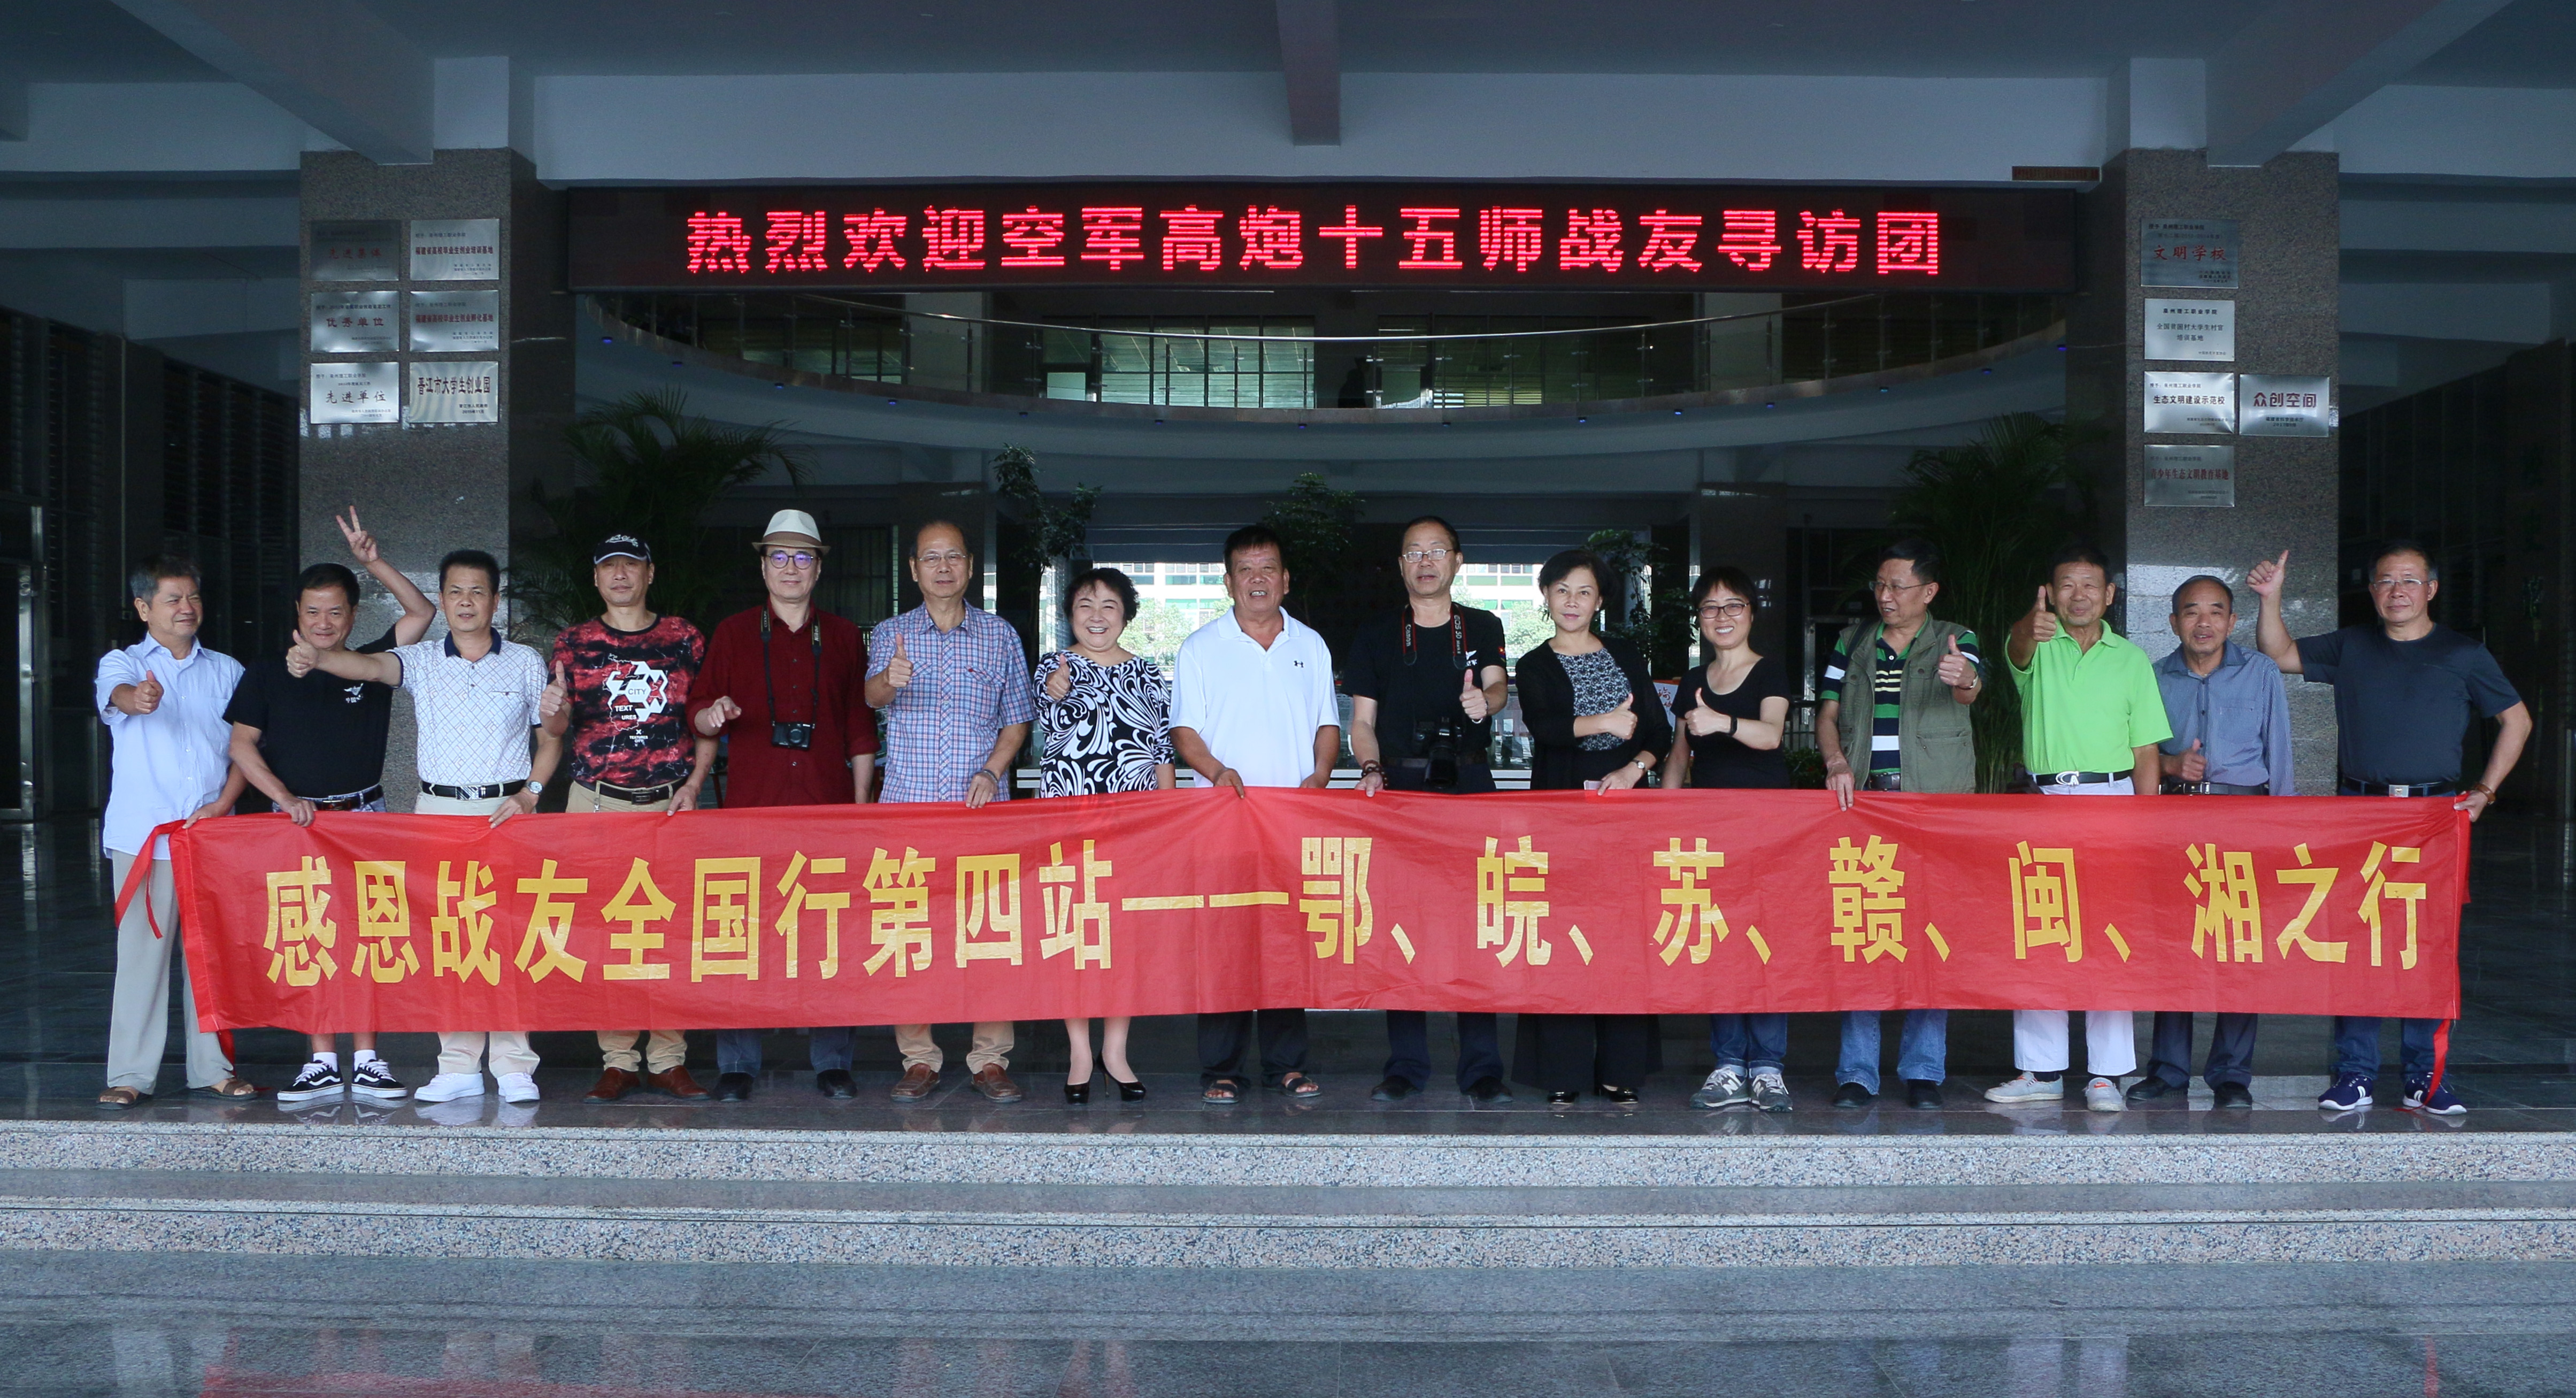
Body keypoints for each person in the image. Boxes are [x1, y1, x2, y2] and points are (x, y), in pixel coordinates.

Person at [2251, 541, 2532, 1116]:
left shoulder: (2463, 653)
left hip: (2432, 816)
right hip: (2360, 812)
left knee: (2426, 946)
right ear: (2372, 591)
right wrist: (2270, 597)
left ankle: (2424, 1075)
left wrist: (2484, 792)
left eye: (2408, 580)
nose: (2396, 591)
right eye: (2384, 581)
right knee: (2355, 943)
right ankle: (2354, 1073)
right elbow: (2278, 653)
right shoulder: (2352, 645)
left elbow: (2516, 720)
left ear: (2430, 589)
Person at [295, 548, 559, 1106]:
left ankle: (514, 1065)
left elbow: (551, 738)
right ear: (442, 598)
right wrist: (317, 657)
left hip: (506, 812)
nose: (466, 602)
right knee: (452, 941)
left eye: (477, 591)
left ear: (495, 600)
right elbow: (366, 667)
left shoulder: (525, 661)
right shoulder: (420, 660)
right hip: (438, 812)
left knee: (509, 938)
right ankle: (458, 1065)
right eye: (455, 592)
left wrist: (530, 794)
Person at [226, 508, 435, 1105]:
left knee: (370, 935)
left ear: (353, 614)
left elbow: (422, 614)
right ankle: (319, 1060)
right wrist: (284, 798)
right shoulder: (266, 673)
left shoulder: (371, 663)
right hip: (298, 824)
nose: (323, 622)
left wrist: (374, 562)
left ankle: (367, 1060)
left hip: (366, 817)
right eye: (313, 611)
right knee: (308, 936)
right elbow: (241, 745)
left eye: (336, 611)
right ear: (297, 613)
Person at [687, 509, 878, 1103]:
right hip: (753, 806)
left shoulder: (843, 636)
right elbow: (699, 712)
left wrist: (859, 806)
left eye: (802, 557)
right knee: (741, 930)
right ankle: (738, 1063)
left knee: (828, 933)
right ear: (763, 567)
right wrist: (712, 714)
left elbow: (859, 726)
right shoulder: (733, 633)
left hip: (825, 804)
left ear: (818, 568)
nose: (790, 568)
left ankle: (833, 1061)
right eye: (778, 557)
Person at [1984, 543, 2168, 1113]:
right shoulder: (2036, 643)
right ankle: (2039, 1070)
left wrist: (2146, 823)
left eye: (2089, 585)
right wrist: (2027, 625)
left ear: (2109, 594)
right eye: (2066, 585)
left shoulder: (2131, 659)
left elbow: (2145, 750)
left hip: (2113, 800)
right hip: (2044, 800)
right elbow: (2015, 648)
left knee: (2109, 938)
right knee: (2042, 929)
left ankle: (2106, 1076)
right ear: (2050, 593)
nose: (2078, 595)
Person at [864, 520, 1037, 1104]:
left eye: (954, 557)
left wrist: (992, 771)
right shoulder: (890, 633)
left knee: (988, 932)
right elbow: (869, 697)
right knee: (909, 933)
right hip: (907, 811)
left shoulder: (999, 635)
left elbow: (1018, 719)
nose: (943, 567)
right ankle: (918, 1058)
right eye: (931, 558)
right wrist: (889, 681)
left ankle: (990, 1059)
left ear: (969, 567)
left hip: (981, 813)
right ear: (914, 569)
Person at [545, 532, 717, 1105]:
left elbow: (704, 720)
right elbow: (556, 727)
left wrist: (695, 785)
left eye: (631, 565)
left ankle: (669, 1059)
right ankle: (617, 1059)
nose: (620, 575)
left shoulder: (684, 637)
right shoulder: (573, 643)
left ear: (650, 574)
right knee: (605, 933)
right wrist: (551, 713)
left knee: (673, 931)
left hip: (672, 803)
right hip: (598, 802)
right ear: (596, 578)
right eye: (609, 567)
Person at [1169, 524, 1339, 1105]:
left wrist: (1320, 775)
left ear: (1285, 579)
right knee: (1225, 942)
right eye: (1245, 569)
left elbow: (1327, 722)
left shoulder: (1310, 644)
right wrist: (1217, 771)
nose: (1257, 579)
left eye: (1268, 568)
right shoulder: (1200, 646)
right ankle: (1220, 1068)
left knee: (1285, 941)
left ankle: (1286, 1065)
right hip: (1222, 820)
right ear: (1228, 582)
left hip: (1291, 823)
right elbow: (1184, 730)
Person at [1346, 516, 1512, 1106]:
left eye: (1436, 551)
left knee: (1478, 923)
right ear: (1400, 565)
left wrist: (1484, 702)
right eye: (1413, 552)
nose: (1425, 561)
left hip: (1468, 783)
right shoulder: (1376, 633)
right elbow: (1361, 722)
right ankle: (1406, 1065)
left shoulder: (1482, 624)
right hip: (1402, 788)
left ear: (1457, 561)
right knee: (1403, 925)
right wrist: (1371, 768)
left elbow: (1497, 686)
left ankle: (1482, 1067)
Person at [1814, 538, 1979, 1111]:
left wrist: (1963, 676)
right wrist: (1835, 762)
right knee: (1863, 931)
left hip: (1933, 812)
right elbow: (1827, 712)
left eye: (1898, 586)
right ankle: (1856, 1073)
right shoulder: (1851, 641)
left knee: (1931, 939)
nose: (1885, 596)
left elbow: (1969, 688)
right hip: (1865, 806)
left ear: (1928, 592)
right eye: (1880, 585)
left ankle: (1923, 1071)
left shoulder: (1956, 637)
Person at [94, 556, 260, 1108]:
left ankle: (213, 1068)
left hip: (212, 839)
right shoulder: (123, 663)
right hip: (145, 838)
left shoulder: (228, 671)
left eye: (193, 597)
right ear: (144, 608)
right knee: (141, 958)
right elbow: (119, 695)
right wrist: (138, 699)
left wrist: (223, 805)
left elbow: (245, 749)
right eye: (172, 599)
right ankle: (130, 1074)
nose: (186, 608)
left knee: (210, 959)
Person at [2127, 574, 2296, 1109]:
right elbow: (2136, 753)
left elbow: (2279, 752)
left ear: (2231, 620)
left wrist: (2283, 836)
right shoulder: (2153, 677)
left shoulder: (2260, 672)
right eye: (2191, 612)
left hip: (2244, 821)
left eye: (2215, 611)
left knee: (2239, 947)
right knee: (2175, 946)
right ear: (2172, 621)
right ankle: (2168, 1070)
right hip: (2175, 819)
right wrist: (2169, 765)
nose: (2203, 623)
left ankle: (2231, 1074)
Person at [1509, 549, 1671, 1105]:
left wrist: (1633, 768)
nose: (1572, 601)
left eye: (1583, 591)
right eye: (1561, 590)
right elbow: (1545, 727)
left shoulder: (1624, 654)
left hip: (1625, 811)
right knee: (1560, 934)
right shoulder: (1534, 664)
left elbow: (1657, 731)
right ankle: (1564, 1067)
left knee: (1622, 936)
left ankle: (1621, 1066)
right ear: (1546, 597)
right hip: (1561, 814)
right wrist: (1605, 722)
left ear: (1599, 600)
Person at [1033, 565, 1173, 1104]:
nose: (1096, 616)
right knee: (1072, 937)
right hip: (1068, 831)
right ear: (1069, 614)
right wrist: (1057, 691)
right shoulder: (1053, 666)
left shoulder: (1148, 673)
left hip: (1132, 832)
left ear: (1126, 615)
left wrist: (1165, 823)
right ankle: (1078, 1052)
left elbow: (1162, 753)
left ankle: (1115, 1052)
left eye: (1109, 605)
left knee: (1122, 941)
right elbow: (1047, 720)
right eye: (1085, 605)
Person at [1664, 568, 1795, 1113]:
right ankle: (1727, 1064)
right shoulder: (1694, 679)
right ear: (1699, 619)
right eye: (1710, 608)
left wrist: (1721, 723)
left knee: (1764, 943)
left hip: (1767, 829)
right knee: (1718, 942)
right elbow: (1678, 756)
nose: (1722, 616)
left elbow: (1771, 735)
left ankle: (1767, 1067)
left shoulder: (1769, 672)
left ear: (1751, 613)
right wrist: (1665, 816)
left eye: (1733, 605)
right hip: (1708, 831)